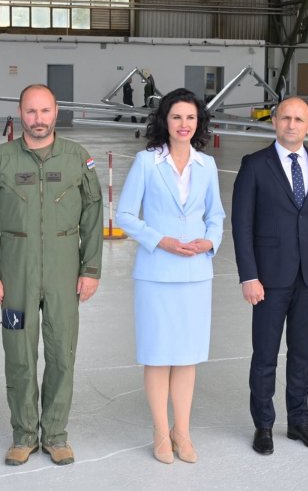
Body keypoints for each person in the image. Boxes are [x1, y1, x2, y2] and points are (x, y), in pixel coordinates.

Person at [0, 84, 104, 466]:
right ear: (20, 114)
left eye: (45, 111)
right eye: (31, 112)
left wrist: (91, 268)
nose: (38, 119)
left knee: (62, 354)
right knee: (19, 355)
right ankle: (24, 434)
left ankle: (56, 435)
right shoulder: (0, 160)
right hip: (16, 275)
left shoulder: (78, 158)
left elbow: (94, 217)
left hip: (65, 274)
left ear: (56, 113)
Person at [115, 88, 225, 464]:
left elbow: (216, 217)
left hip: (195, 273)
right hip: (156, 273)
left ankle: (183, 431)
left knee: (187, 357)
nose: (184, 124)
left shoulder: (206, 165)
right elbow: (125, 215)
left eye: (191, 118)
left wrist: (208, 242)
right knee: (158, 355)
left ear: (199, 123)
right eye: (177, 117)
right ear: (165, 121)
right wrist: (159, 240)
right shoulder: (147, 163)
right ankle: (161, 432)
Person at [232, 97, 308, 456]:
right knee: (265, 355)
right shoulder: (254, 165)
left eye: (299, 119)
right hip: (268, 277)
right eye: (285, 118)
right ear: (274, 122)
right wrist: (248, 275)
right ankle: (263, 424)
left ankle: (299, 421)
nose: (291, 125)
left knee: (302, 354)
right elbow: (241, 225)